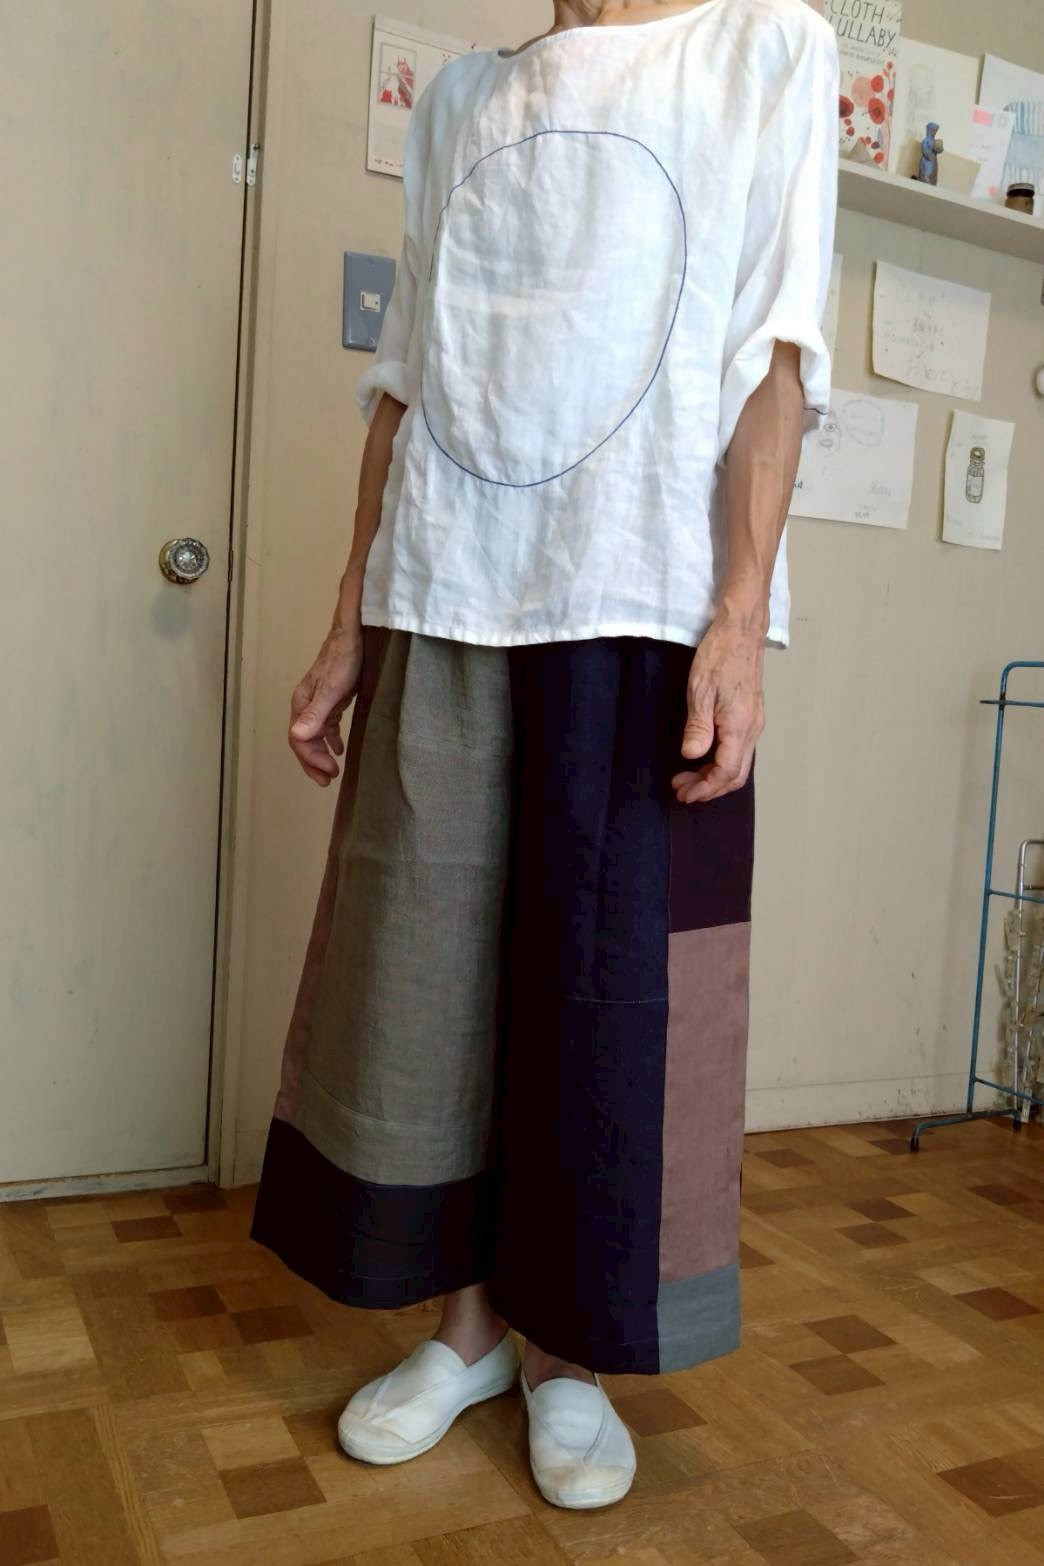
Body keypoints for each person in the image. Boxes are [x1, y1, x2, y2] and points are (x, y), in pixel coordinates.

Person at [250, 0, 839, 1511]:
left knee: (605, 992)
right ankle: (469, 1331)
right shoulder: (459, 98)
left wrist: (739, 614)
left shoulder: (764, 48)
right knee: (430, 971)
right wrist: (348, 617)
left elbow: (777, 356)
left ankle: (568, 1353)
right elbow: (405, 383)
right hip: (448, 585)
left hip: (639, 598)